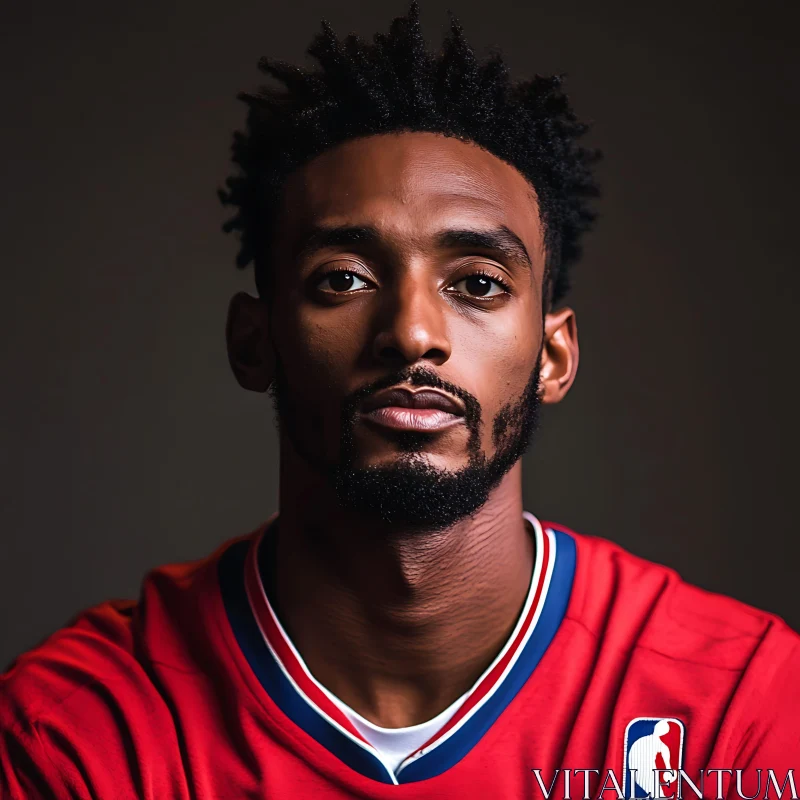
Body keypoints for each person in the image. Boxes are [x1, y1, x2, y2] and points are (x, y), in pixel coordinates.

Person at [1, 5, 797, 798]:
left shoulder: (737, 708)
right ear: (254, 342)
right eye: (343, 279)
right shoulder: (78, 732)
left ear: (554, 356)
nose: (412, 333)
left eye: (478, 284)